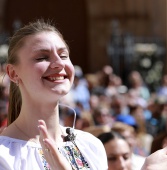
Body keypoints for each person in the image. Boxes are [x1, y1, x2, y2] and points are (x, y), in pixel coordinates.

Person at [0, 20, 108, 170]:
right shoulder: (4, 155)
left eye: (63, 55)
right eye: (42, 57)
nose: (59, 63)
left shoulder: (91, 145)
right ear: (13, 73)